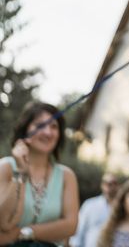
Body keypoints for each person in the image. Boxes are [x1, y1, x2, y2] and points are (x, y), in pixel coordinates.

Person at [0, 101, 79, 246]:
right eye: (40, 125)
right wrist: (21, 172)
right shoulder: (5, 167)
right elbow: (5, 222)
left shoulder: (67, 175)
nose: (48, 132)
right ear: (25, 130)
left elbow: (70, 225)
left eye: (54, 126)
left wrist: (22, 233)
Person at [70, 173, 119, 247]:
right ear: (102, 185)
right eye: (106, 183)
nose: (109, 186)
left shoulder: (122, 208)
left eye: (113, 183)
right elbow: (79, 229)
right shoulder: (89, 205)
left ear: (117, 185)